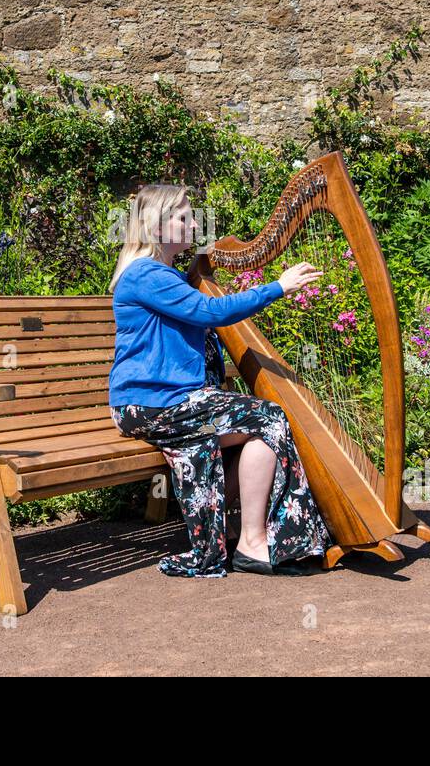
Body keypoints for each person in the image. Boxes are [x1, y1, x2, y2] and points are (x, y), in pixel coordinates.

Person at [107, 182, 334, 578]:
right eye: (184, 217)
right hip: (149, 405)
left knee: (264, 423)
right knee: (268, 418)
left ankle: (247, 535)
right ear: (158, 227)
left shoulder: (165, 274)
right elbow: (212, 312)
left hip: (172, 401)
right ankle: (250, 541)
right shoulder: (146, 276)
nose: (195, 222)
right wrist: (278, 286)